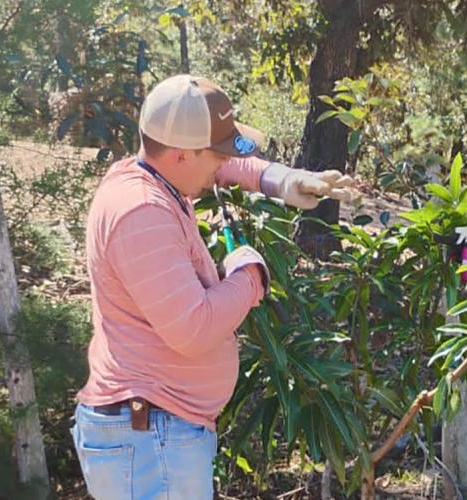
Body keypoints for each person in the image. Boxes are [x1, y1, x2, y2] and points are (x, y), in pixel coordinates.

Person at [70, 74, 353, 500]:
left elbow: (231, 166)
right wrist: (250, 274)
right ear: (183, 155)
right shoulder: (141, 213)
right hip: (149, 438)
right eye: (215, 153)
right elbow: (195, 329)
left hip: (154, 432)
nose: (223, 164)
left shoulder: (150, 173)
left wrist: (285, 180)